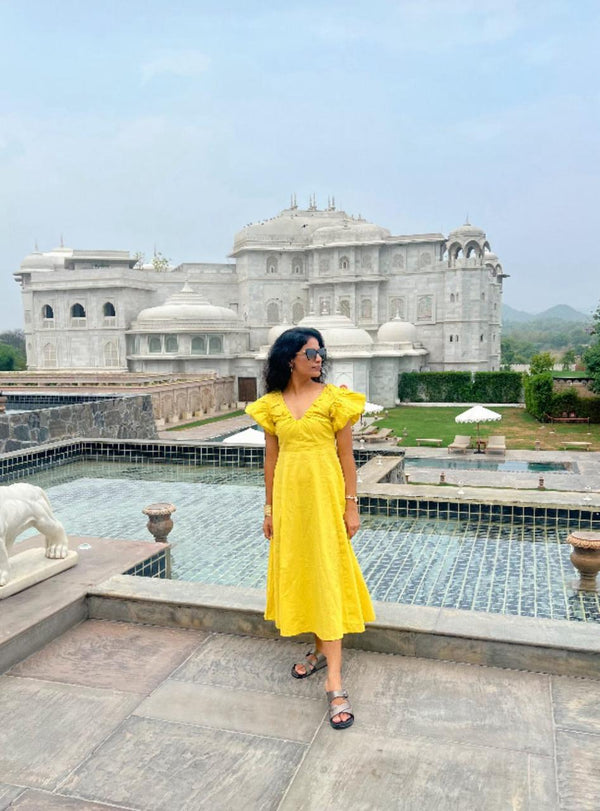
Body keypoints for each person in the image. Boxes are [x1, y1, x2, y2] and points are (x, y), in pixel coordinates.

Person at [246, 327, 375, 730]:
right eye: (311, 352)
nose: (319, 358)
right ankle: (319, 652)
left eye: (321, 352)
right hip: (288, 502)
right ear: (289, 359)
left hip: (325, 499)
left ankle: (335, 681)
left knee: (327, 575)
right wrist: (268, 509)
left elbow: (348, 458)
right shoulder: (270, 405)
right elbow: (270, 461)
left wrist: (352, 507)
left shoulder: (335, 400)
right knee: (304, 572)